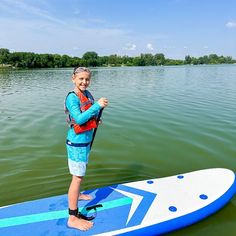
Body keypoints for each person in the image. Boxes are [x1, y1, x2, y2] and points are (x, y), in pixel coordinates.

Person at [64, 66, 108, 231]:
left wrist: (96, 119)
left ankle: (79, 194)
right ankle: (73, 217)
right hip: (77, 144)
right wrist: (97, 106)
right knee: (77, 178)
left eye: (87, 79)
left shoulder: (88, 95)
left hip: (86, 142)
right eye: (81, 79)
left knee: (80, 174)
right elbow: (80, 119)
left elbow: (89, 115)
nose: (84, 82)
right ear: (73, 79)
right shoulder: (72, 98)